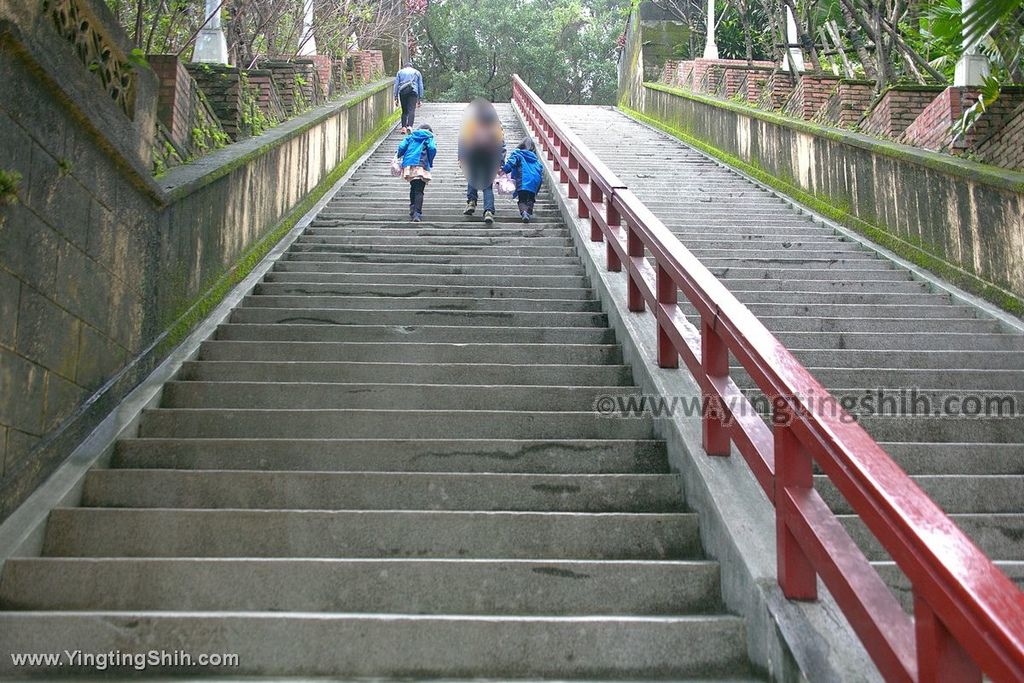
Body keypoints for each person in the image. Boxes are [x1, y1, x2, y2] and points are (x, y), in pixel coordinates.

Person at [458, 99, 505, 225]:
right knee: (487, 185)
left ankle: (471, 202)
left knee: (472, 177)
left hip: (473, 154)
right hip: (490, 156)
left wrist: (461, 157)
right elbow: (501, 144)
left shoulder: (471, 122)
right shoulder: (495, 124)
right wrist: (501, 161)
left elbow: (463, 141)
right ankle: (488, 211)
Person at [395, 124, 436, 222]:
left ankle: (412, 207)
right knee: (419, 190)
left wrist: (398, 156)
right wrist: (430, 160)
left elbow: (401, 147)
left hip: (409, 165)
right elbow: (432, 148)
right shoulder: (428, 138)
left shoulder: (411, 136)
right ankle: (417, 213)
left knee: (413, 186)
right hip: (421, 164)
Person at [501, 138, 544, 223]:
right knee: (531, 198)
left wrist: (504, 170)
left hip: (523, 180)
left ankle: (524, 212)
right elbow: (540, 172)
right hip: (534, 182)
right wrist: (537, 189)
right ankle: (529, 210)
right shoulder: (535, 159)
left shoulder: (518, 154)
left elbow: (511, 163)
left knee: (522, 199)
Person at [394, 62, 424, 134]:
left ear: (404, 67)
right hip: (413, 92)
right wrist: (420, 98)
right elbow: (420, 85)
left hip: (403, 91)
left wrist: (395, 96)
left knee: (404, 110)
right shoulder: (417, 72)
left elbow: (396, 84)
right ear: (412, 66)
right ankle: (410, 126)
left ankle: (403, 127)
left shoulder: (400, 72)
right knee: (411, 110)